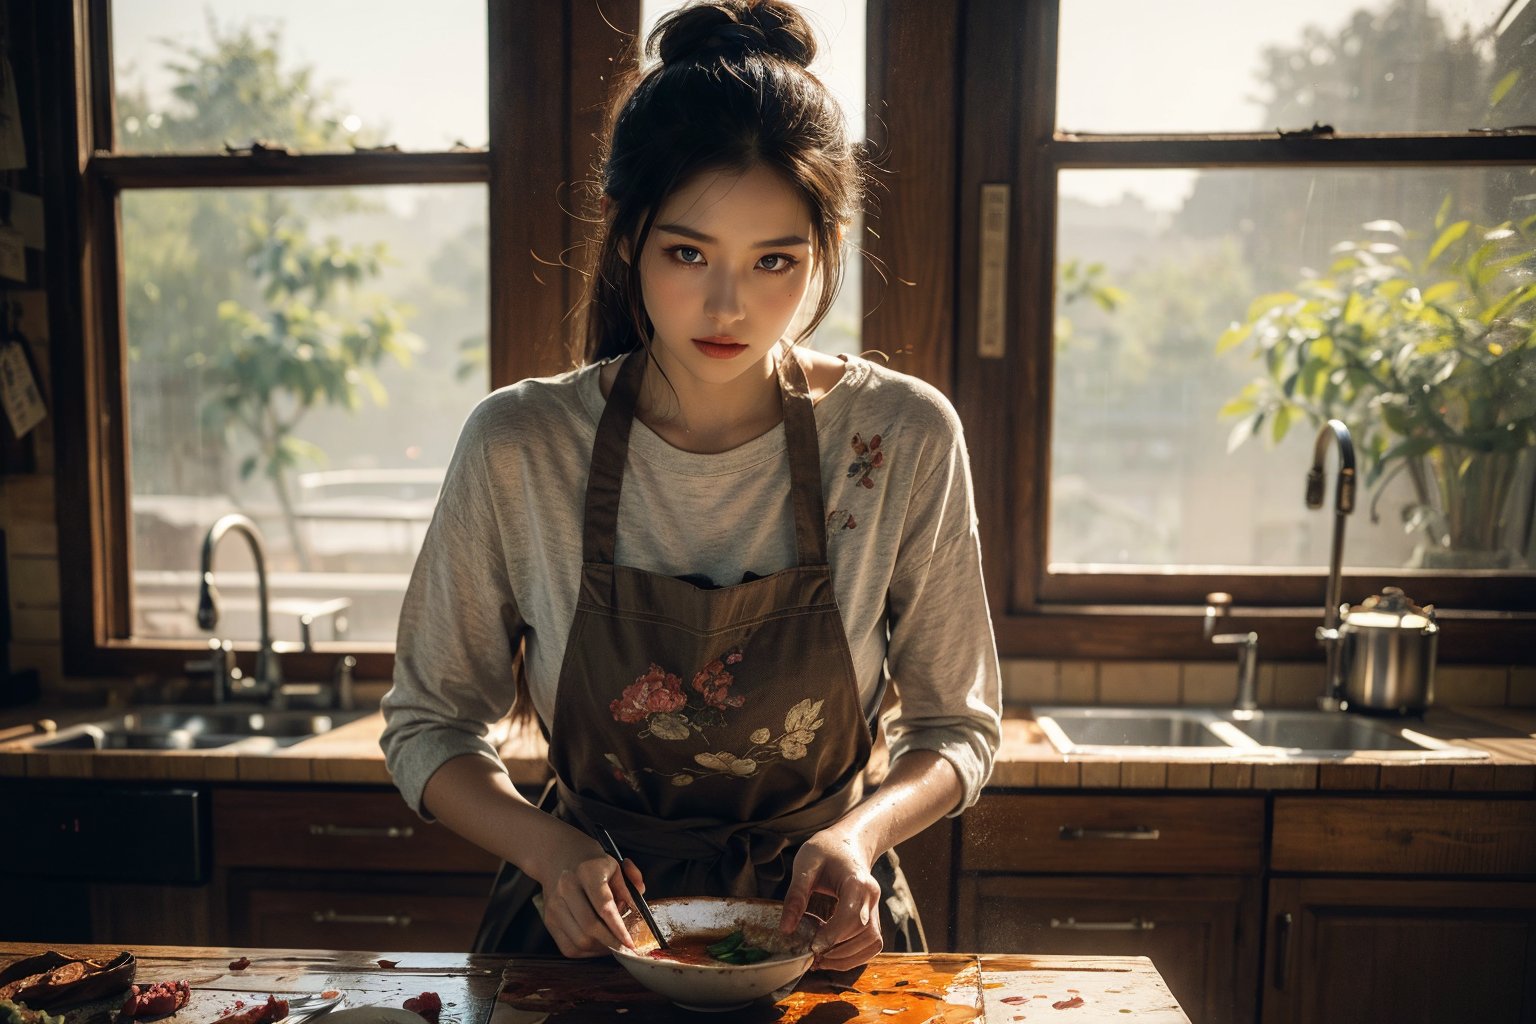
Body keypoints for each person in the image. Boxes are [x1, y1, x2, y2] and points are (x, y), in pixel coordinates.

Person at [380, 0, 1002, 972]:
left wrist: (860, 837)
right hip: (579, 948)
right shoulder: (521, 444)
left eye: (775, 262)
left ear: (823, 251)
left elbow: (956, 726)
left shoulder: (900, 437)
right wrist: (550, 849)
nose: (729, 305)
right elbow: (428, 726)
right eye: (688, 253)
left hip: (824, 945)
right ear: (627, 240)